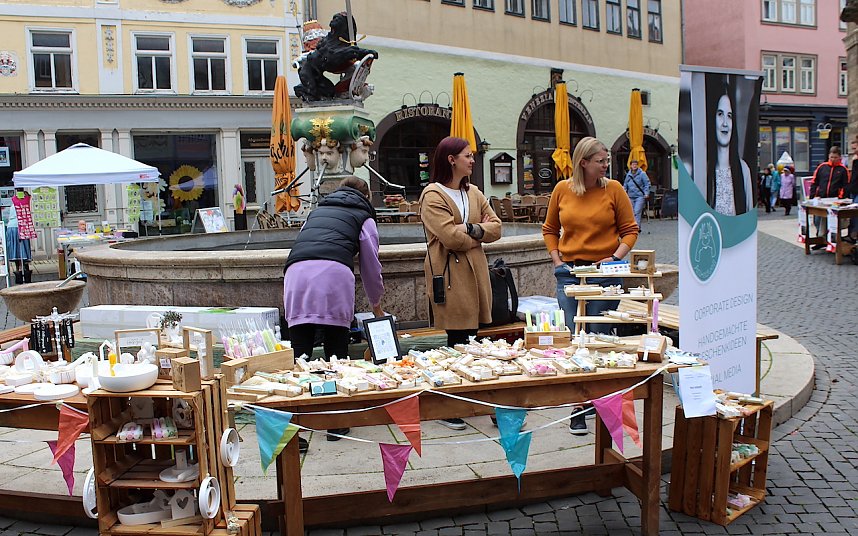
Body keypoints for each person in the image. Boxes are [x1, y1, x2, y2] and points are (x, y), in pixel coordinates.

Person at [542, 137, 638, 435]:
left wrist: (613, 259)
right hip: (570, 273)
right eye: (601, 160)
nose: (606, 165)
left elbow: (630, 231)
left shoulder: (614, 189)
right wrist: (557, 262)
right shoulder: (562, 189)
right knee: (574, 336)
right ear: (583, 162)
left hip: (605, 274)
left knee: (596, 337)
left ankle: (592, 401)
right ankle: (579, 402)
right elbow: (549, 229)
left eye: (606, 160)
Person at [283, 176, 384, 444]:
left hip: (296, 274)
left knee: (300, 356)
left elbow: (304, 241)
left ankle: (297, 430)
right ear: (367, 196)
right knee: (336, 353)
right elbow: (371, 266)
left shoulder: (316, 211)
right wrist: (377, 306)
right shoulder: (364, 217)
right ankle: (335, 422)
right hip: (333, 276)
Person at [419, 136, 502, 431]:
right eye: (468, 155)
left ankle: (466, 397)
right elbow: (449, 238)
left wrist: (469, 228)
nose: (472, 160)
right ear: (451, 159)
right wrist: (475, 233)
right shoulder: (432, 195)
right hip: (450, 275)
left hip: (475, 272)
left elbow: (497, 229)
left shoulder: (474, 192)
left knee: (472, 336)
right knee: (457, 338)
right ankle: (448, 404)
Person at [705, 78, 754, 215]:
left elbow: (748, 214)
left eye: (730, 116)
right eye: (720, 114)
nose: (725, 123)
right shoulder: (704, 169)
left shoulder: (743, 169)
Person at [809, 146, 850, 249]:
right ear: (828, 156)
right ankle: (820, 239)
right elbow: (814, 182)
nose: (833, 159)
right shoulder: (822, 167)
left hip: (835, 199)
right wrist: (813, 196)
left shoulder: (843, 170)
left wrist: (841, 198)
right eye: (831, 157)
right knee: (818, 219)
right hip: (821, 198)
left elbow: (846, 185)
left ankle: (832, 240)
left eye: (835, 157)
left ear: (839, 157)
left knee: (833, 221)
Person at [623, 159, 650, 227]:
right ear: (631, 166)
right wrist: (624, 191)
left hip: (639, 196)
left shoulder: (642, 174)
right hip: (630, 196)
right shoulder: (628, 175)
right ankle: (636, 226)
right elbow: (625, 184)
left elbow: (647, 184)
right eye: (633, 164)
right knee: (631, 212)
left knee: (637, 211)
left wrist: (646, 193)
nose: (634, 166)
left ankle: (636, 227)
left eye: (635, 164)